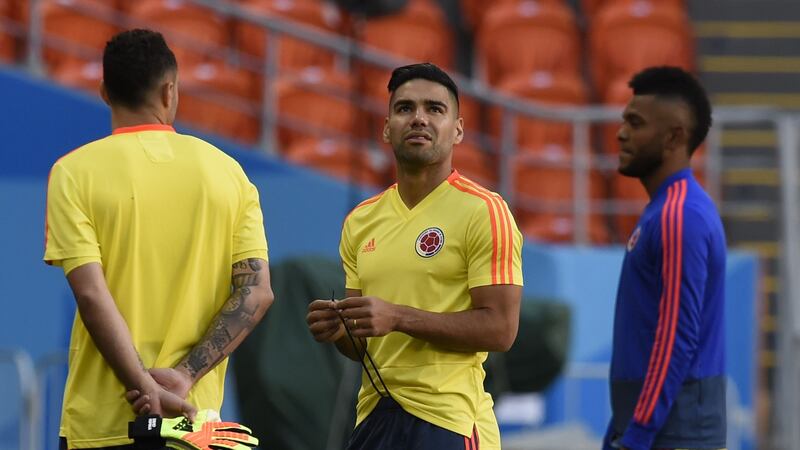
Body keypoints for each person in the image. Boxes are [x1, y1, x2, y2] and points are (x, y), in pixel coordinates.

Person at [44, 29, 273, 450]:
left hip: (103, 425)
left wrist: (143, 386)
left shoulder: (73, 172)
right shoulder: (229, 173)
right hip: (194, 424)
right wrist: (184, 376)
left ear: (104, 92)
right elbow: (256, 292)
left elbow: (92, 295)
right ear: (170, 90)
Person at [306, 63, 523, 450]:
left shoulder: (484, 210)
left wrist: (398, 317)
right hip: (375, 418)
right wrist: (340, 331)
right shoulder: (360, 221)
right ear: (386, 128)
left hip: (449, 420)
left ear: (458, 130)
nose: (419, 118)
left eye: (435, 109)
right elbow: (362, 345)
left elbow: (501, 330)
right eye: (405, 108)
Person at [604, 66, 727, 450]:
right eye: (624, 120)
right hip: (655, 426)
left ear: (674, 136)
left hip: (673, 432)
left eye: (635, 123)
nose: (621, 133)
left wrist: (637, 435)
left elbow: (677, 336)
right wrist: (619, 428)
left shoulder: (680, 216)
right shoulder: (665, 210)